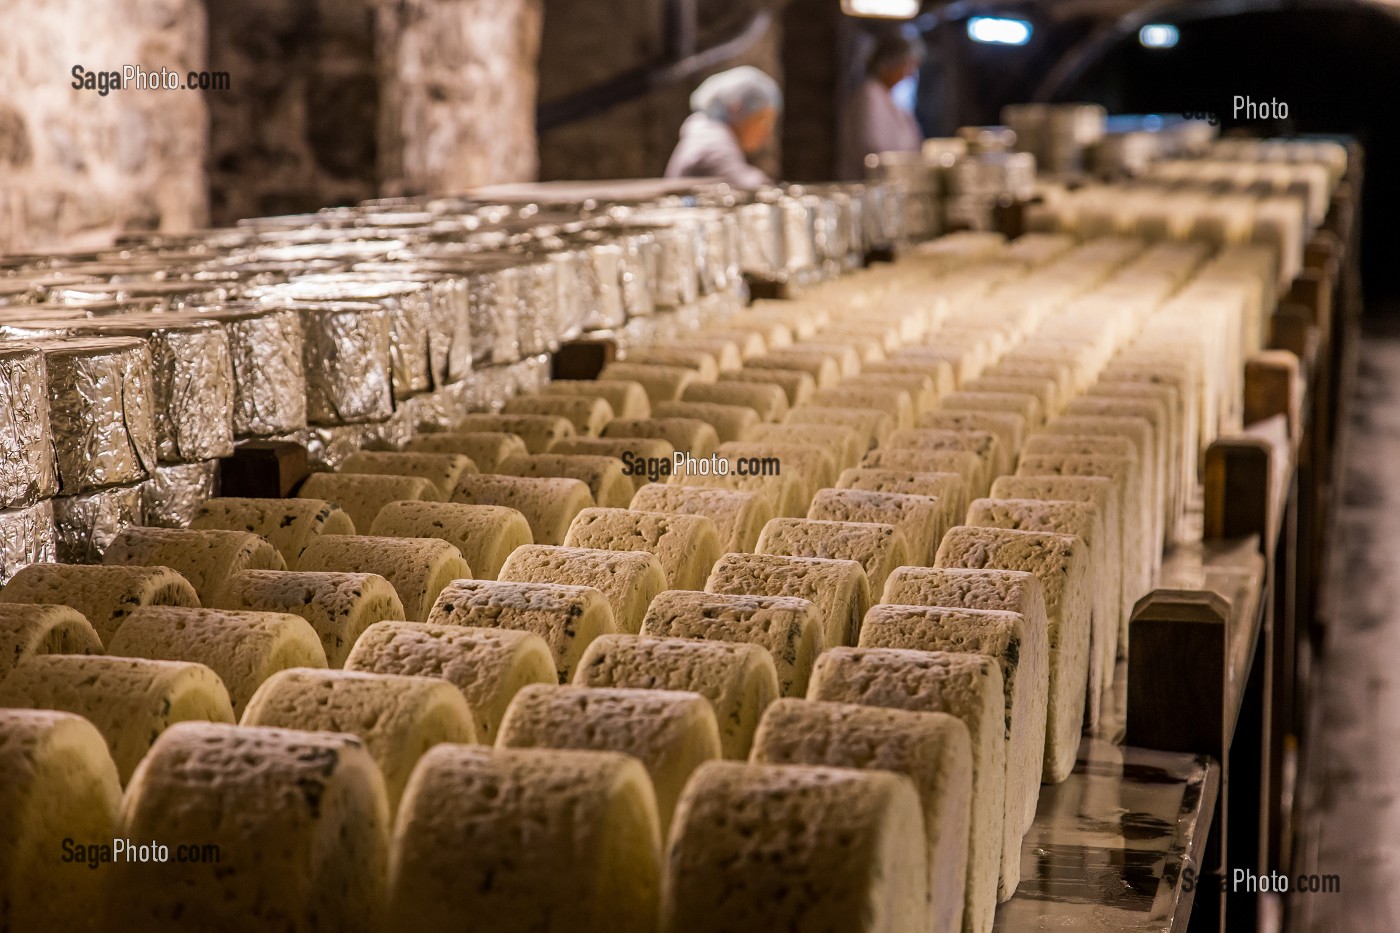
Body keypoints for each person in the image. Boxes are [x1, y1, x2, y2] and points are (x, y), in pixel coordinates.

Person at [664, 66, 782, 190]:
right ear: (736, 108)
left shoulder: (708, 132)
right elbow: (743, 185)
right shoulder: (711, 140)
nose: (767, 133)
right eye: (763, 121)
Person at [839, 33, 926, 180]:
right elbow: (874, 148)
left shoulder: (890, 96)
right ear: (890, 63)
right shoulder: (869, 95)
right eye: (907, 65)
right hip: (871, 185)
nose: (910, 74)